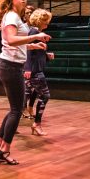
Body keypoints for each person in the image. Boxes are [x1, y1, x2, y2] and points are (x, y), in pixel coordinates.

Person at [0, 0, 51, 165]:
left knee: (15, 108)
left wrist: (32, 46)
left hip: (11, 65)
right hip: (10, 67)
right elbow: (11, 40)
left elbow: (15, 43)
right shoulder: (12, 16)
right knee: (16, 110)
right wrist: (35, 38)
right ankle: (4, 149)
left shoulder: (16, 17)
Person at [23, 8, 54, 136]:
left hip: (37, 70)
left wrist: (47, 55)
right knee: (45, 95)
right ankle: (36, 124)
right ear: (40, 20)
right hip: (35, 71)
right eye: (45, 20)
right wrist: (28, 68)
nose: (47, 23)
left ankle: (35, 123)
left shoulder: (38, 32)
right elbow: (28, 51)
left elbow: (37, 51)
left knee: (36, 95)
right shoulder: (33, 31)